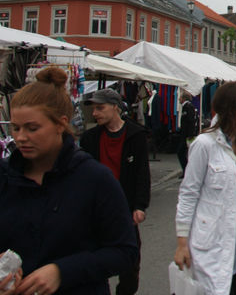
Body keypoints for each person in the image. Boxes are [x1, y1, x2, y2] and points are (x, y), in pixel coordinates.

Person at [0, 66, 137, 295]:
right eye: (16, 128)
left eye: (32, 128)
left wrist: (62, 271)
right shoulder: (4, 177)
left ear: (60, 124)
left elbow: (124, 251)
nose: (21, 137)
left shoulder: (94, 179)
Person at [174, 81, 236, 295]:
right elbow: (188, 193)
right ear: (232, 108)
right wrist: (182, 242)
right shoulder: (205, 145)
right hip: (212, 244)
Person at [79, 88, 151, 295]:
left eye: (100, 108)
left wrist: (140, 206)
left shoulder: (135, 136)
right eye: (94, 109)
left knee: (130, 264)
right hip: (96, 210)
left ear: (115, 108)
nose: (95, 113)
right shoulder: (89, 138)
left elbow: (142, 173)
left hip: (125, 209)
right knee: (94, 261)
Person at [175, 91, 199, 175]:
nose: (178, 99)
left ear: (183, 98)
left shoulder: (188, 107)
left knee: (181, 152)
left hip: (187, 136)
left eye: (180, 97)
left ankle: (187, 171)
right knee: (184, 153)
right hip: (186, 135)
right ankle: (186, 171)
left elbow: (190, 122)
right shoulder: (186, 106)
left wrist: (189, 136)